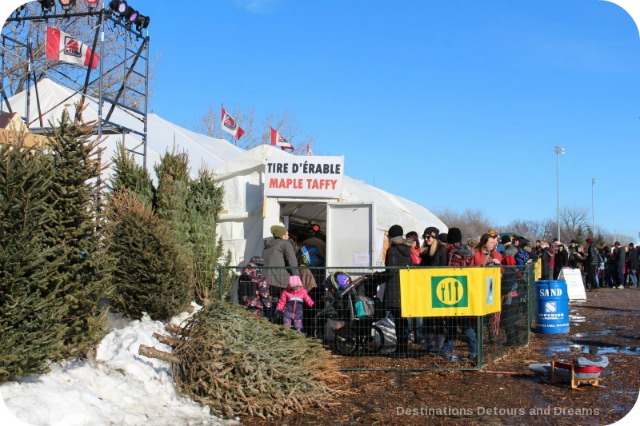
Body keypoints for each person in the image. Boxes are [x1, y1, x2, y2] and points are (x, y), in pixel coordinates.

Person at [446, 227, 477, 360]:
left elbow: (449, 271)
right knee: (466, 324)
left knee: (452, 324)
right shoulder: (469, 252)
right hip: (466, 290)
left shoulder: (453, 252)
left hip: (453, 289)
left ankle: (447, 350)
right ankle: (474, 350)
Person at [383, 224, 413, 357]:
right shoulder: (408, 250)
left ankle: (400, 349)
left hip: (395, 289)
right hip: (405, 288)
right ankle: (403, 347)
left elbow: (391, 270)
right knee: (403, 320)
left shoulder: (392, 251)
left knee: (398, 320)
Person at [419, 226, 449, 356]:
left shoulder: (441, 250)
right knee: (427, 318)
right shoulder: (424, 252)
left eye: (428, 237)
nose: (426, 239)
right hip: (426, 287)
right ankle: (427, 343)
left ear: (435, 238)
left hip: (437, 288)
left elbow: (442, 268)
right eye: (424, 237)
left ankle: (438, 345)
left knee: (437, 318)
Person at [262, 222, 300, 301]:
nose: (288, 236)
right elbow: (292, 261)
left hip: (266, 279)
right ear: (282, 235)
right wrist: (297, 277)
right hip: (281, 280)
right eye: (287, 234)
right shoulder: (285, 244)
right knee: (284, 302)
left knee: (272, 301)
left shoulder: (268, 245)